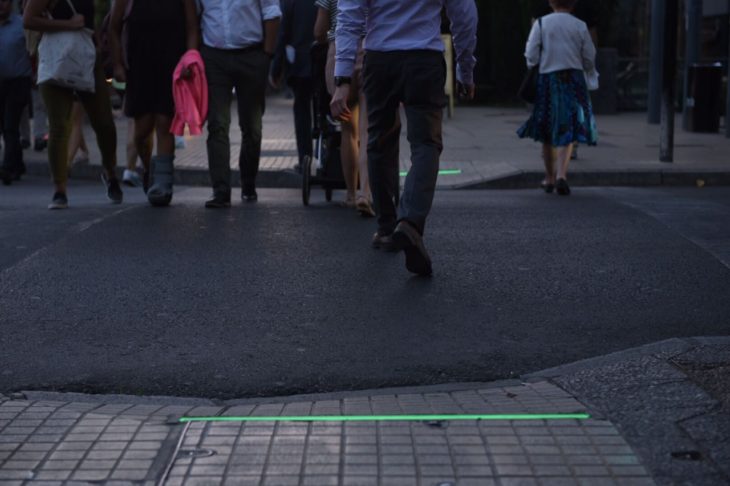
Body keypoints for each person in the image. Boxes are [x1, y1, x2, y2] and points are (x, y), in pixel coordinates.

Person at [331, 0, 477, 276]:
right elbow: (464, 15)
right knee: (426, 144)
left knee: (379, 142)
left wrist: (342, 79)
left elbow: (349, 17)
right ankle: (410, 221)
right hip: (424, 59)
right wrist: (465, 69)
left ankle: (387, 227)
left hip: (380, 59)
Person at [24, 0, 123, 209]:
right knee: (59, 126)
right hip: (55, 58)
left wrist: (97, 44)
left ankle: (110, 172)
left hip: (86, 57)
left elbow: (90, 20)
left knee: (104, 122)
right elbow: (29, 19)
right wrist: (68, 25)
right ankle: (59, 189)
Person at [110, 0, 199, 206]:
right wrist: (118, 64)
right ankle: (149, 169)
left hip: (172, 65)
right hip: (139, 66)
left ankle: (163, 182)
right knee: (142, 130)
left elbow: (192, 27)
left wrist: (190, 58)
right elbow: (114, 27)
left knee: (164, 122)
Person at [198, 0, 281, 208]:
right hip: (214, 57)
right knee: (217, 123)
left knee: (252, 126)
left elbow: (272, 13)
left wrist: (266, 56)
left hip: (251, 55)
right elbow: (193, 14)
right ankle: (220, 190)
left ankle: (248, 182)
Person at [517, 0, 598, 196]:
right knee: (567, 127)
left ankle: (549, 177)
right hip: (573, 80)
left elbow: (531, 54)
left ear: (551, 2)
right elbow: (589, 55)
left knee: (547, 129)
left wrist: (536, 64)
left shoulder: (541, 23)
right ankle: (562, 175)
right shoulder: (579, 25)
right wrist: (587, 71)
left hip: (548, 80)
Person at [315, 0, 374, 217]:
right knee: (368, 130)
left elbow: (319, 31)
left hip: (339, 53)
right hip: (371, 49)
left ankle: (350, 194)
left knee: (348, 130)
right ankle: (365, 193)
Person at [270, 0, 317, 176]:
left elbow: (283, 34)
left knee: (302, 113)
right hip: (325, 63)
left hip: (301, 65)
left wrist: (276, 68)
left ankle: (304, 160)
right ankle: (330, 158)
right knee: (327, 114)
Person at [0, 0, 33, 185]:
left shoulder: (22, 24)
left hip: (18, 81)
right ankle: (18, 164)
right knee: (6, 126)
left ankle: (7, 168)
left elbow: (32, 51)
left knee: (10, 124)